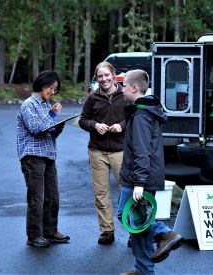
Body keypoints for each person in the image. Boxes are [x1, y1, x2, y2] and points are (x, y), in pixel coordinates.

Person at [117, 69, 184, 275]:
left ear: (134, 87)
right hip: (144, 177)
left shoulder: (141, 115)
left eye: (124, 85)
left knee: (126, 215)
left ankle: (165, 233)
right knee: (138, 227)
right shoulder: (147, 110)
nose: (121, 89)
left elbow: (142, 151)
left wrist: (139, 183)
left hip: (140, 179)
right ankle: (144, 270)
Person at [16, 70, 70, 248]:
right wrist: (53, 115)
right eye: (50, 87)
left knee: (53, 197)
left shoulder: (48, 104)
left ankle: (50, 231)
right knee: (36, 198)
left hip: (48, 154)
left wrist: (59, 126)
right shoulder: (28, 104)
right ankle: (34, 235)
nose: (52, 92)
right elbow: (36, 128)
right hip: (32, 157)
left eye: (55, 89)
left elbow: (50, 134)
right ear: (41, 84)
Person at [79, 61, 126, 245]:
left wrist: (121, 126)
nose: (104, 79)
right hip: (97, 151)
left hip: (120, 151)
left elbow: (133, 119)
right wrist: (94, 125)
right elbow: (82, 120)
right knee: (101, 193)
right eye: (100, 76)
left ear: (114, 75)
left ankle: (134, 231)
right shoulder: (93, 98)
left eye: (107, 75)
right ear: (97, 79)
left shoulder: (125, 95)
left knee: (127, 192)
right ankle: (107, 230)